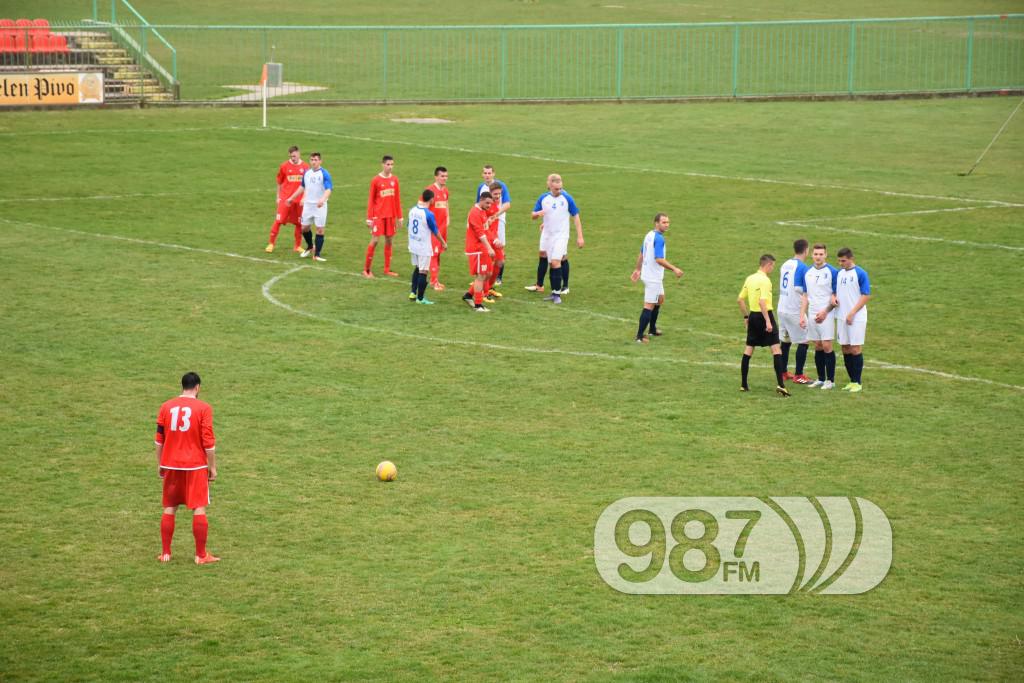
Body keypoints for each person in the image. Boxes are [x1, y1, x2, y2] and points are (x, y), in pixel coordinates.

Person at [154, 372, 219, 565]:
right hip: (195, 465)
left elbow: (159, 440)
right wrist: (212, 467)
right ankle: (200, 555)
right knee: (198, 507)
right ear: (197, 387)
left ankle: (165, 553)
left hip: (171, 464)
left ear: (182, 386)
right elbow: (209, 442)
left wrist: (160, 463)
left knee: (170, 507)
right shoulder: (204, 408)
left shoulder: (166, 406)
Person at [737, 254, 790, 396]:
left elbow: (740, 300)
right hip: (765, 315)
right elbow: (762, 302)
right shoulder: (765, 281)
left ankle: (744, 384)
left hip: (753, 316)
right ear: (768, 265)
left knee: (748, 349)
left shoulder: (750, 278)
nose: (773, 268)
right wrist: (767, 321)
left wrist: (746, 316)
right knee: (776, 350)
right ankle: (781, 385)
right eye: (773, 266)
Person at [528, 174, 584, 304]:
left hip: (561, 235)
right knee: (548, 261)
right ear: (549, 186)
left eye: (560, 188)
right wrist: (537, 214)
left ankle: (557, 294)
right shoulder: (543, 198)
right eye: (556, 189)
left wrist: (580, 236)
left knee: (555, 262)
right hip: (547, 234)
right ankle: (552, 291)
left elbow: (576, 216)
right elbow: (533, 215)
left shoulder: (567, 198)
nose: (559, 191)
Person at [631, 213, 683, 343]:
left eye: (668, 222)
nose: (666, 225)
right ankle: (639, 336)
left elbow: (642, 253)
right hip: (652, 277)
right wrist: (674, 269)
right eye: (664, 222)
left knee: (660, 299)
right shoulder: (659, 239)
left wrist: (638, 269)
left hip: (650, 275)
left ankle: (652, 329)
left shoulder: (649, 235)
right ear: (656, 223)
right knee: (649, 305)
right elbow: (659, 259)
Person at [800, 244, 840, 390]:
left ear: (826, 255)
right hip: (812, 313)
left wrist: (825, 312)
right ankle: (821, 378)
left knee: (827, 345)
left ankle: (831, 380)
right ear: (812, 255)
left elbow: (836, 296)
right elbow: (805, 295)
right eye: (816, 254)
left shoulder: (832, 272)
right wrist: (801, 315)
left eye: (821, 254)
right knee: (817, 345)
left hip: (826, 314)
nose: (818, 256)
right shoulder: (808, 272)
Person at [835, 247, 871, 392]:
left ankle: (857, 382)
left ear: (851, 259)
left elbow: (866, 295)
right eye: (839, 261)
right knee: (845, 347)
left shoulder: (860, 273)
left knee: (855, 348)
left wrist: (852, 312)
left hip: (856, 317)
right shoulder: (839, 274)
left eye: (843, 261)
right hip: (841, 316)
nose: (841, 263)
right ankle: (851, 381)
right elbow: (834, 292)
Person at [285, 152, 332, 262]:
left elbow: (328, 189)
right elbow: (302, 187)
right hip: (308, 205)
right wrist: (291, 198)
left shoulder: (324, 174)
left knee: (320, 229)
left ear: (320, 161)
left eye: (316, 160)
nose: (313, 162)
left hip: (320, 206)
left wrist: (322, 199)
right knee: (304, 228)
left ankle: (317, 254)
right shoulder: (307, 173)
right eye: (312, 160)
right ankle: (310, 246)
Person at [777, 239, 811, 383]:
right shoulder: (803, 268)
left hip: (782, 308)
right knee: (804, 341)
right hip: (794, 310)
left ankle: (783, 372)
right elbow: (801, 289)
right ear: (806, 250)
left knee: (785, 341)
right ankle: (799, 375)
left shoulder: (785, 264)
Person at [364, 155, 403, 278]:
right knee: (375, 240)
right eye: (388, 164)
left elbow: (397, 199)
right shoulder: (376, 180)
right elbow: (371, 200)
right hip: (378, 216)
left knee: (389, 240)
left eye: (392, 164)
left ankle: (387, 269)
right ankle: (366, 270)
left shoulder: (395, 180)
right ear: (382, 164)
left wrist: (400, 217)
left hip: (390, 216)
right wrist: (369, 218)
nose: (390, 167)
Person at [265, 145, 308, 253]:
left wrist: (304, 197)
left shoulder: (306, 167)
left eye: (294, 156)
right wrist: (278, 197)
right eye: (291, 156)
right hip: (285, 199)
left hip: (299, 200)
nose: (292, 158)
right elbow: (279, 182)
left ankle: (297, 246)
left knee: (299, 223)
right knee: (278, 221)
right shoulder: (284, 166)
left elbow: (307, 185)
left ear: (299, 153)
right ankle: (271, 244)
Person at [407, 189, 447, 305]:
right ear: (431, 199)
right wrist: (443, 242)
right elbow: (435, 231)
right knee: (423, 271)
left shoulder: (413, 210)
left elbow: (408, 225)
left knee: (417, 268)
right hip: (423, 246)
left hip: (413, 244)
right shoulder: (428, 214)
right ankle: (420, 298)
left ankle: (413, 293)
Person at [463, 191, 497, 313]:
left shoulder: (482, 212)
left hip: (481, 248)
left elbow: (485, 230)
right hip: (476, 249)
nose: (489, 206)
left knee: (487, 273)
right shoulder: (475, 213)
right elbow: (480, 233)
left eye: (491, 204)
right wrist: (489, 247)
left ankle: (468, 295)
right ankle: (478, 305)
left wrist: (495, 239)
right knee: (481, 276)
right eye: (487, 203)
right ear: (481, 200)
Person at [477, 165, 510, 286]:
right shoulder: (481, 187)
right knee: (485, 248)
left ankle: (498, 277)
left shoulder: (501, 186)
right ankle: (483, 277)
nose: (487, 175)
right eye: (485, 173)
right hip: (486, 222)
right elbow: (477, 204)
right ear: (482, 174)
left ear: (493, 174)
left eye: (489, 173)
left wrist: (495, 215)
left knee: (500, 247)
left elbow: (507, 204)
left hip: (499, 220)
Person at [426, 166, 450, 290]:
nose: (444, 178)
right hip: (433, 228)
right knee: (434, 254)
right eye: (442, 176)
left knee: (438, 252)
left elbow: (446, 204)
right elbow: (423, 207)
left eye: (446, 176)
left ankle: (435, 279)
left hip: (442, 227)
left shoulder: (445, 191)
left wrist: (448, 217)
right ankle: (434, 282)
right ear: (436, 177)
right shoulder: (430, 191)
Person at [483, 181, 507, 301]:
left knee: (500, 261)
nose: (497, 196)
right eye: (495, 194)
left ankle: (490, 287)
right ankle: (484, 291)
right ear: (490, 193)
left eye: (499, 194)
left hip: (494, 237)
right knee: (487, 268)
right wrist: (494, 238)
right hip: (487, 239)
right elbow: (484, 226)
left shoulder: (496, 204)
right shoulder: (487, 206)